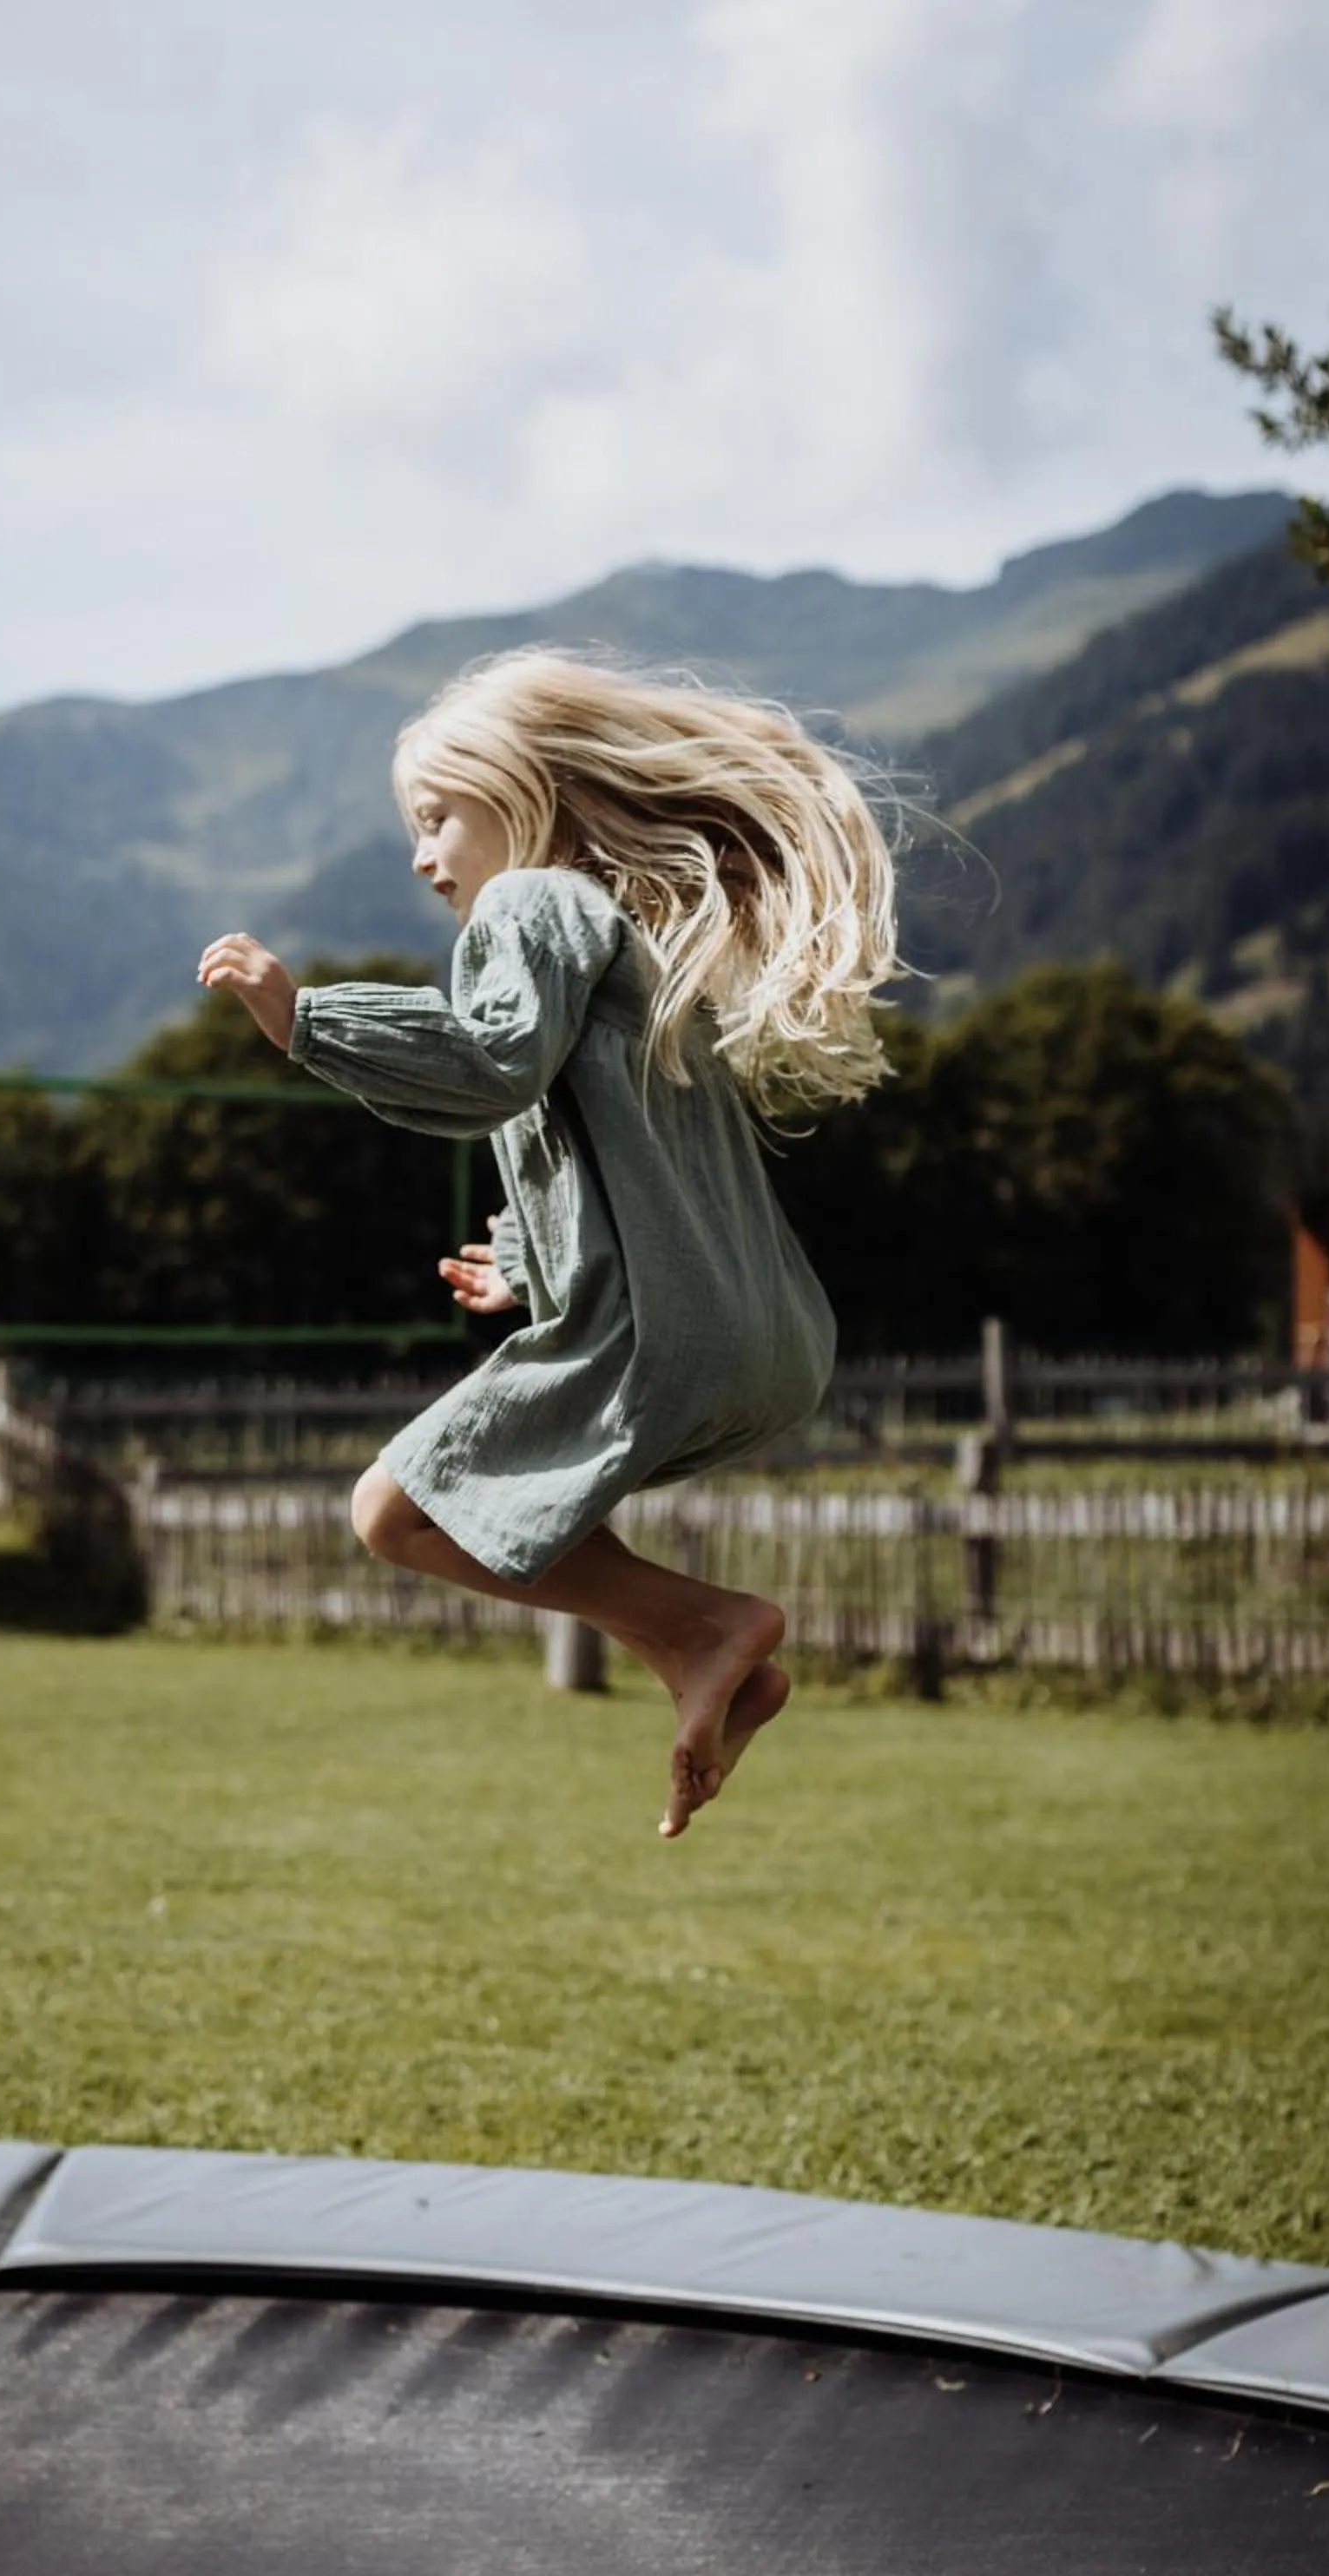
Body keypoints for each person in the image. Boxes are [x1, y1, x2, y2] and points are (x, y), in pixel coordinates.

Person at [198, 648, 901, 1839]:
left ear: (518, 790)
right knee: (516, 1505)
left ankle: (706, 1629)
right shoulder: (623, 939)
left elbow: (490, 1064)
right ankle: (697, 1655)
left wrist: (303, 1018)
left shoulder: (532, 905)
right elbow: (612, 1145)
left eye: (434, 818)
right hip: (762, 1342)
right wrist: (526, 1264)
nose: (423, 857)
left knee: (395, 1513)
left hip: (660, 1336)